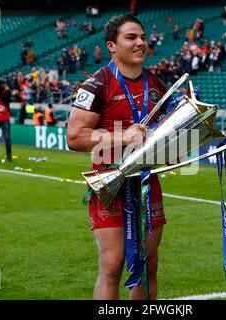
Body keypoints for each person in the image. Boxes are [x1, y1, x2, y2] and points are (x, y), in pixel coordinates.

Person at [67, 14, 169, 300]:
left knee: (148, 264)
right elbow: (75, 137)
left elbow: (166, 136)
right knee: (112, 265)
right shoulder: (97, 85)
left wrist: (175, 149)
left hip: (147, 184)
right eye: (131, 37)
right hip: (110, 184)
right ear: (112, 46)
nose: (141, 43)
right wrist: (122, 137)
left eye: (143, 37)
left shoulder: (157, 86)